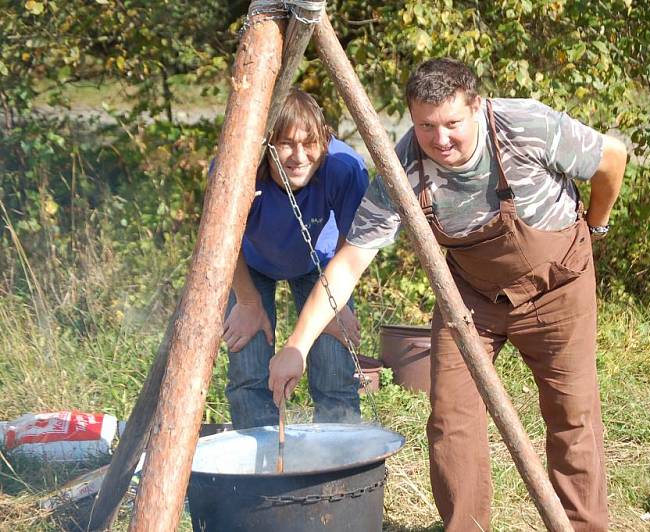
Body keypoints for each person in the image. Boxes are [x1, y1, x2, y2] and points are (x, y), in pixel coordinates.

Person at [269, 59, 627, 531]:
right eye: (426, 126)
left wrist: (596, 223)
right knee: (451, 420)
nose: (440, 140)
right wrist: (297, 345)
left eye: (453, 124)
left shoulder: (525, 127)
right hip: (471, 302)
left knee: (572, 416)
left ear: (476, 106)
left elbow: (612, 157)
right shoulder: (404, 169)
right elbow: (350, 261)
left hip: (558, 287)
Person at [222, 88, 369, 430]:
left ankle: (340, 457)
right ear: (267, 144)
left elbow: (354, 248)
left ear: (326, 141)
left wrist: (336, 306)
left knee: (334, 365)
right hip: (251, 263)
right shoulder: (239, 168)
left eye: (310, 143)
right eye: (286, 143)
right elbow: (220, 245)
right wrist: (246, 301)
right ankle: (261, 464)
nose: (299, 156)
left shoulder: (344, 169)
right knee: (248, 363)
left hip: (322, 264)